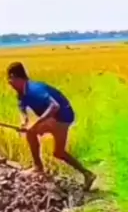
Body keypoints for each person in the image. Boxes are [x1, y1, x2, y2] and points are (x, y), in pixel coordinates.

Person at [7, 62, 96, 190]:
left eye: (10, 80)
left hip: (62, 116)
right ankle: (88, 174)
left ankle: (38, 167)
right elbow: (22, 109)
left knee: (31, 132)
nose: (9, 84)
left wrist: (35, 124)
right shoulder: (21, 93)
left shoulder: (34, 90)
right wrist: (24, 122)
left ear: (17, 78)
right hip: (58, 117)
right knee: (58, 152)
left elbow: (55, 106)